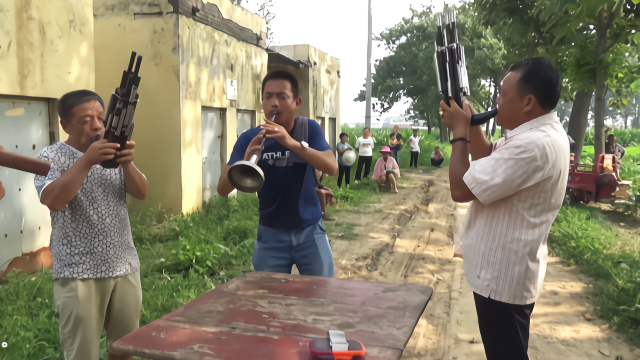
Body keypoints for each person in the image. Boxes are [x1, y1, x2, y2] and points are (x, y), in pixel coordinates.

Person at [440, 57, 568, 360]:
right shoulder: (534, 135)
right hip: (505, 273)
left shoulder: (533, 145)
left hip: (502, 278)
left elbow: (460, 190)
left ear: (527, 102)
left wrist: (459, 133)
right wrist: (471, 124)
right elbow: (486, 156)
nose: (496, 101)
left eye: (502, 94)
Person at [34, 90, 148, 360]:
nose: (97, 125)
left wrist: (127, 163)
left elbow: (141, 191)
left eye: (101, 117)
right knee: (81, 353)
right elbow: (53, 200)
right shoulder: (52, 156)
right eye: (86, 119)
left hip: (124, 265)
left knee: (124, 348)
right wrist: (86, 161)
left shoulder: (113, 152)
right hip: (78, 272)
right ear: (65, 124)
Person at [217, 70, 338, 278]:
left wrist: (292, 144)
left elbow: (331, 167)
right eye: (268, 96)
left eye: (282, 96)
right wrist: (246, 159)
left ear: (296, 102)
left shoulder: (309, 129)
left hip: (310, 232)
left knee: (323, 297)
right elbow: (222, 189)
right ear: (262, 101)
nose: (274, 103)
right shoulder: (250, 137)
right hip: (270, 235)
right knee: (269, 304)